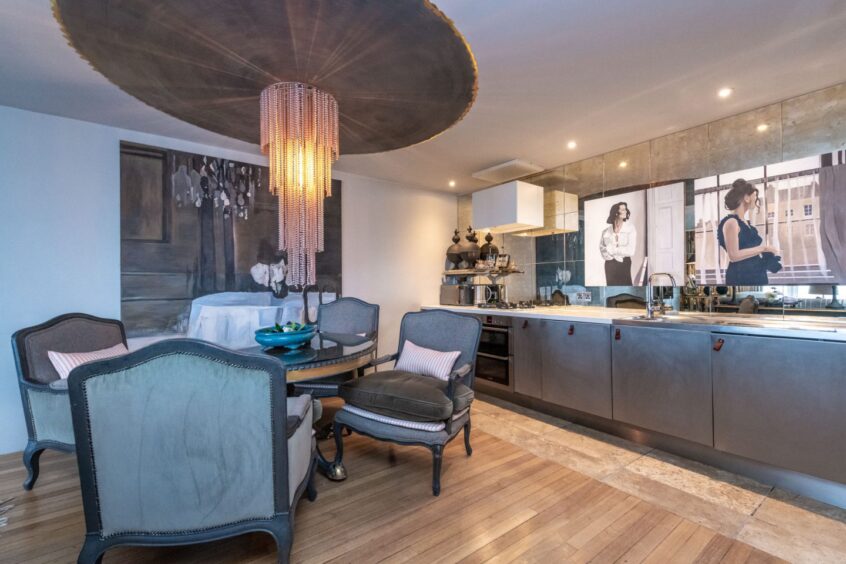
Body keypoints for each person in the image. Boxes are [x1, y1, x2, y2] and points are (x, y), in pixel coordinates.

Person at [717, 179, 779, 285]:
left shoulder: (745, 223)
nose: (756, 199)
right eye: (754, 195)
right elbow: (733, 255)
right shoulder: (732, 222)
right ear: (746, 198)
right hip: (740, 275)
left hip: (755, 274)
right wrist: (764, 248)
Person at [600, 202, 636, 285]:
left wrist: (612, 250)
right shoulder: (606, 232)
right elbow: (602, 249)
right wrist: (611, 255)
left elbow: (631, 251)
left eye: (626, 209)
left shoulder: (630, 228)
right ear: (616, 212)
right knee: (611, 288)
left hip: (624, 263)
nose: (626, 211)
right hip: (610, 264)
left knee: (626, 287)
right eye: (623, 209)